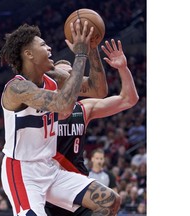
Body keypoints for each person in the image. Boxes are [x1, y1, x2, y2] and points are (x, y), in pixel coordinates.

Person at [0, 19, 121, 216]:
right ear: (29, 54)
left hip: (49, 168)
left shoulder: (53, 78)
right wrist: (80, 55)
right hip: (22, 172)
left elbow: (99, 90)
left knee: (109, 201)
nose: (50, 47)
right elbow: (64, 104)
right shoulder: (17, 88)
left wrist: (91, 50)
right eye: (43, 45)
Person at [45, 39, 139, 216]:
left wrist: (122, 68)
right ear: (53, 80)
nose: (67, 77)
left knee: (110, 206)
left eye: (71, 74)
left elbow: (129, 99)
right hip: (46, 187)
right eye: (62, 74)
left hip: (77, 186)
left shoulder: (83, 108)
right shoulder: (41, 107)